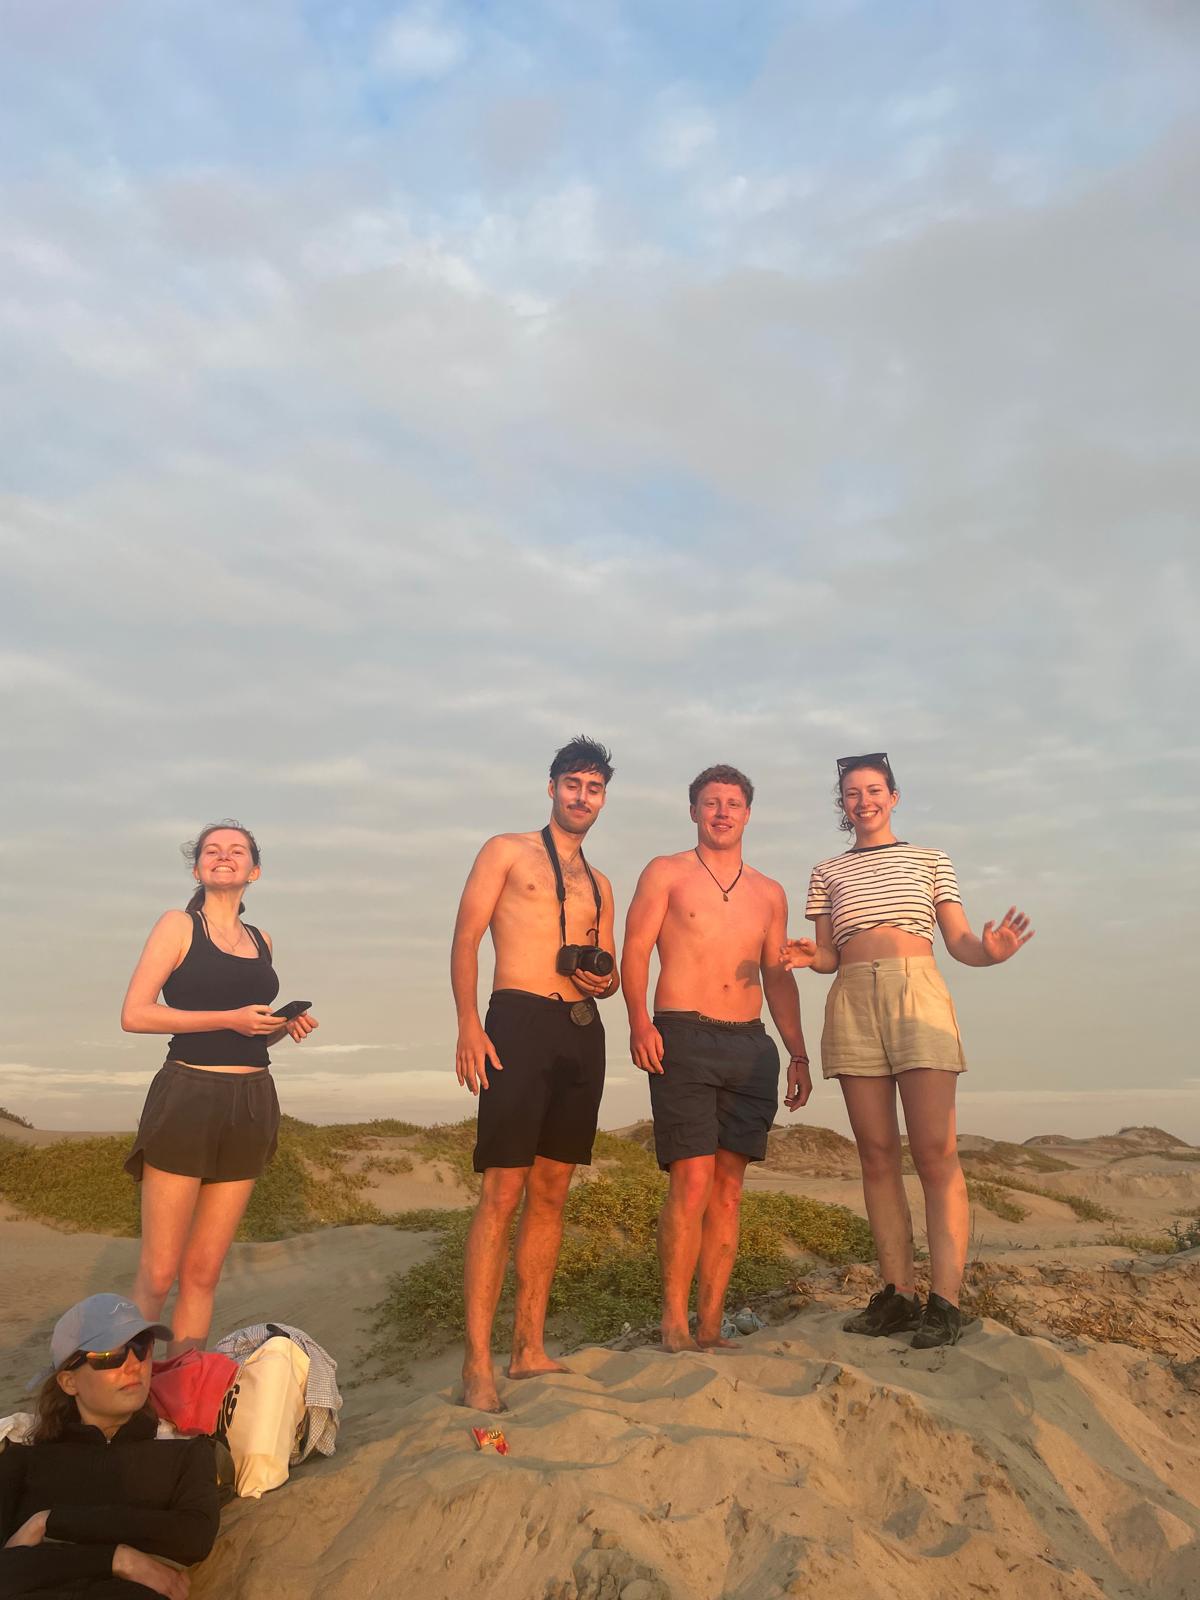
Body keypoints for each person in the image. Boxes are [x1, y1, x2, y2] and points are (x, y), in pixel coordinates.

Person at [783, 753, 1034, 1349]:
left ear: (893, 796)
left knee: (934, 1151)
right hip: (852, 997)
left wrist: (991, 953)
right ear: (842, 804)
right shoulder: (826, 871)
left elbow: (961, 942)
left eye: (874, 790)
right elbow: (829, 955)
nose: (863, 801)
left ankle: (945, 1302)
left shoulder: (930, 859)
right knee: (875, 1154)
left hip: (916, 991)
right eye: (852, 793)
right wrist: (809, 956)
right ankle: (897, 1294)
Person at [451, 737, 619, 1412]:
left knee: (552, 1193)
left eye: (594, 788)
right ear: (551, 788)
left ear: (603, 798)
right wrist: (469, 1023)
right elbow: (466, 937)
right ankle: (477, 1363)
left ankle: (528, 1348)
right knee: (502, 1190)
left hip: (580, 1029)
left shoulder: (602, 884)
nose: (582, 797)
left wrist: (603, 982)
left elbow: (608, 968)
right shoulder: (506, 851)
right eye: (572, 784)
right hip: (516, 1019)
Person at [621, 764, 812, 1353]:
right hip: (683, 1032)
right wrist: (639, 1022)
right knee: (691, 1180)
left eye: (732, 803)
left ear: (748, 814)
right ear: (694, 811)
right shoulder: (666, 872)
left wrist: (798, 1052)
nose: (722, 812)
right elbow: (635, 950)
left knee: (729, 1189)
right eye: (711, 802)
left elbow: (778, 977)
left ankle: (710, 1325)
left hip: (749, 1042)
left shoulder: (769, 892)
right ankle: (674, 1324)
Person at [120, 821, 319, 1354]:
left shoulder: (262, 940)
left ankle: (184, 1393)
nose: (223, 855)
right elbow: (135, 1014)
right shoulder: (178, 926)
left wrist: (279, 1027)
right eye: (212, 850)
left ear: (255, 871)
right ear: (197, 868)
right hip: (189, 1094)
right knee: (159, 1272)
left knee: (204, 1272)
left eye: (236, 851)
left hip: (253, 1099)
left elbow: (248, 1034)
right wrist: (229, 1018)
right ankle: (133, 1388)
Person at [1, 1293, 219, 1599]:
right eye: (108, 1355)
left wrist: (49, 1522)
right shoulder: (23, 1461)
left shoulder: (185, 1454)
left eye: (140, 1347)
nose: (133, 1365)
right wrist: (116, 1559)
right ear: (69, 1382)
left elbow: (193, 1537)